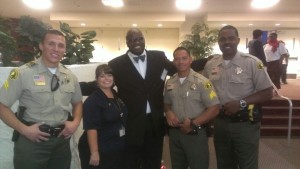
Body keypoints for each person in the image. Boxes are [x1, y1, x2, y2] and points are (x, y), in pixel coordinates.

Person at [80, 28, 208, 169]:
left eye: (140, 38)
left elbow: (179, 67)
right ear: (127, 43)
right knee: (131, 162)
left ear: (144, 39)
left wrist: (208, 60)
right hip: (131, 124)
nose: (137, 42)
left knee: (153, 162)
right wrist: (74, 87)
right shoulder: (116, 64)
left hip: (155, 123)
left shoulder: (159, 58)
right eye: (133, 39)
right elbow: (103, 83)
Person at [0, 29, 83, 169]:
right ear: (41, 46)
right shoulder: (20, 73)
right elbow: (2, 105)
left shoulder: (70, 76)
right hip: (32, 142)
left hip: (61, 142)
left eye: (60, 45)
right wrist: (24, 130)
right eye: (51, 44)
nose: (56, 49)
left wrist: (75, 122)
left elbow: (78, 102)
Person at [203, 25, 273, 169]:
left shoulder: (253, 63)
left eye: (231, 38)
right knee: (224, 164)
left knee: (247, 164)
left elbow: (267, 92)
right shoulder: (210, 65)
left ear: (238, 40)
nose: (227, 42)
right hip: (220, 124)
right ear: (218, 42)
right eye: (222, 39)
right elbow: (204, 90)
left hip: (245, 125)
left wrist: (241, 103)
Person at [164, 47, 220, 169]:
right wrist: (168, 112)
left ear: (190, 60)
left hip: (195, 133)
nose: (181, 62)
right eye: (177, 59)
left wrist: (193, 123)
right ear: (173, 62)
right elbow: (167, 103)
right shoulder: (170, 82)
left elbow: (214, 108)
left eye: (184, 58)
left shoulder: (203, 82)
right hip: (175, 134)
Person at [78, 64, 128, 169]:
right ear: (96, 79)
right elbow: (91, 128)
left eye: (109, 75)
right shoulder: (93, 101)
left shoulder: (115, 94)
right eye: (102, 76)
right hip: (99, 149)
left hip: (114, 146)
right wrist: (94, 153)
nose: (106, 79)